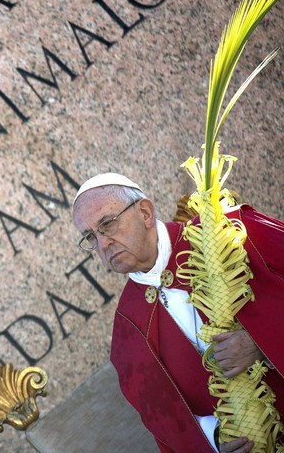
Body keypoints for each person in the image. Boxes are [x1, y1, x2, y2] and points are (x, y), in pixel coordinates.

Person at [71, 173, 284, 453]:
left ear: (145, 212)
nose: (103, 244)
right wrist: (215, 441)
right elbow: (171, 427)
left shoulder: (229, 231)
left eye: (107, 224)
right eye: (90, 237)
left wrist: (261, 344)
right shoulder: (127, 334)